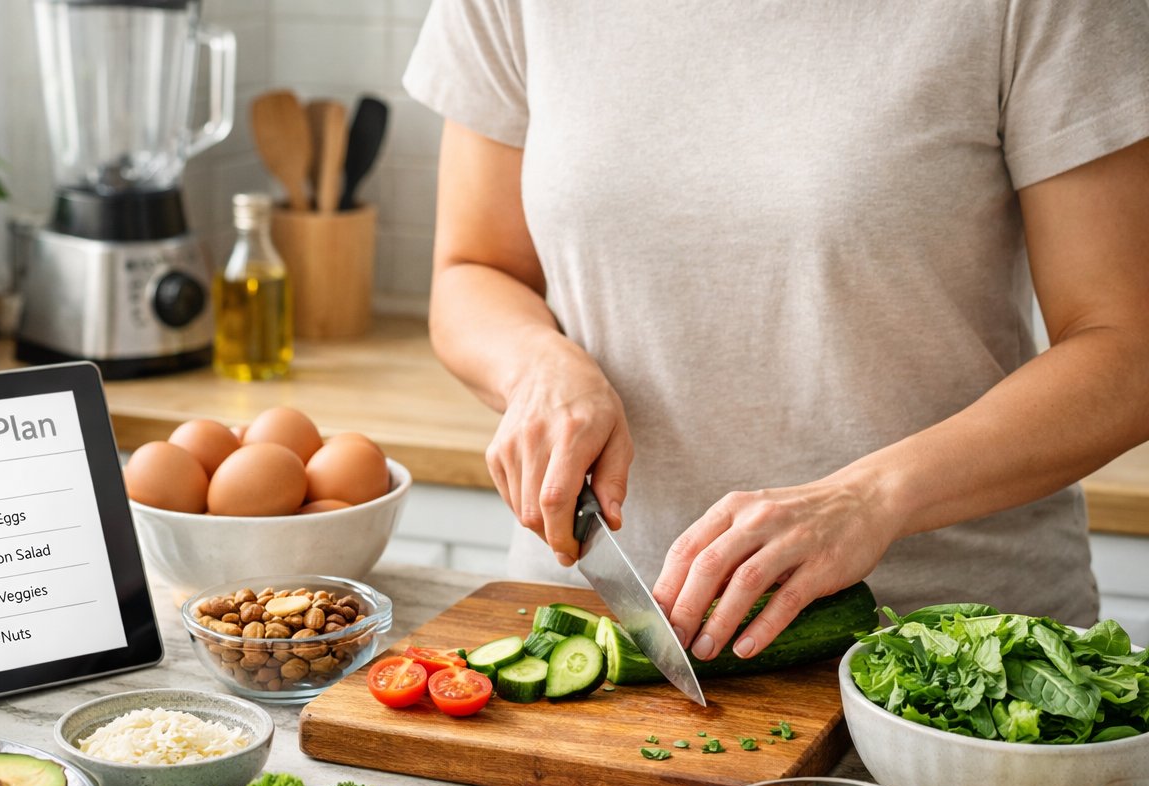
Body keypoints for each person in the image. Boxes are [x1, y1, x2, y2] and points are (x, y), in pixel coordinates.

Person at [402, 0, 1149, 663]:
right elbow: (474, 268)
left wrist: (873, 497)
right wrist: (539, 367)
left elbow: (1127, 346)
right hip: (602, 639)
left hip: (953, 660)